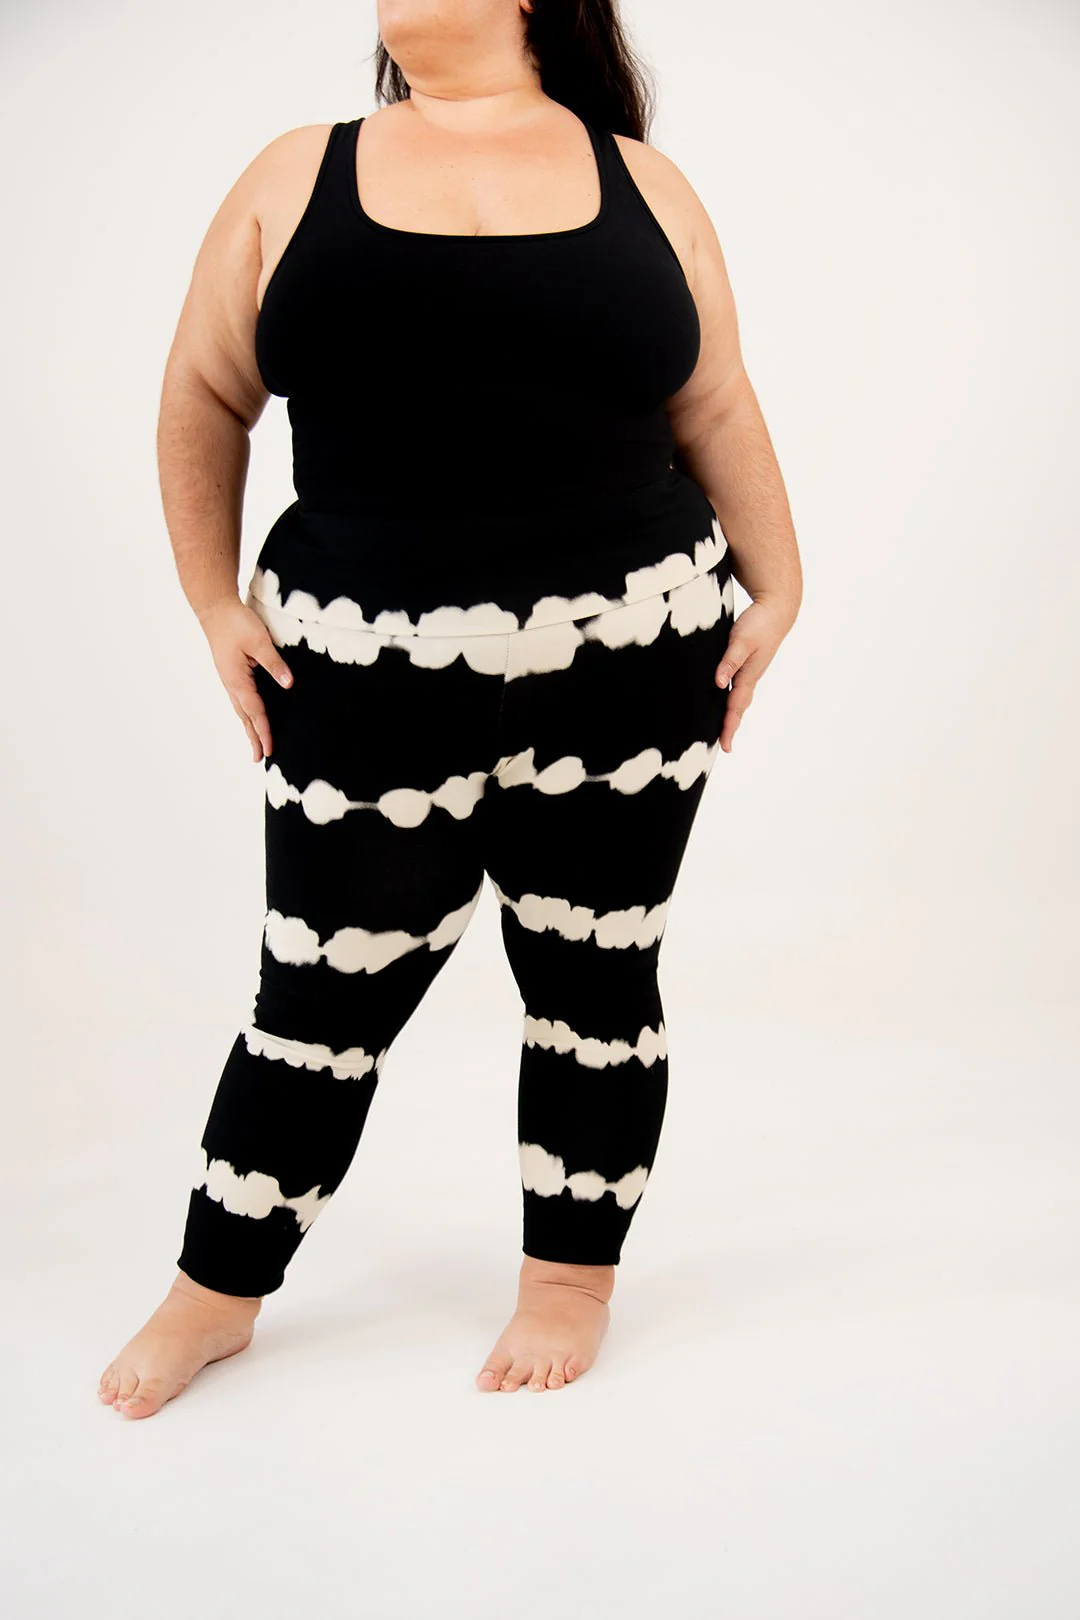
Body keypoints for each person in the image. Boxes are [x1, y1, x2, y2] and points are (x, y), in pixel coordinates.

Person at [98, 0, 801, 1419]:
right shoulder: (293, 172)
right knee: (318, 993)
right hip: (360, 673)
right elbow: (203, 393)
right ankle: (215, 1290)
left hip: (632, 661)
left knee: (595, 979)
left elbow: (717, 399)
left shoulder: (643, 183)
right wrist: (212, 602)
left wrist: (781, 579)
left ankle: (568, 1283)